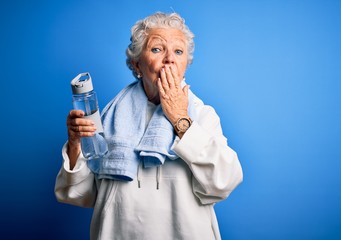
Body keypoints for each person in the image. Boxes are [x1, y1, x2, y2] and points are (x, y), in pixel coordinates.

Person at [55, 12, 243, 240]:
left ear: (185, 64)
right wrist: (76, 143)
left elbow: (223, 182)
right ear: (137, 64)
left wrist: (180, 119)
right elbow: (79, 193)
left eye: (178, 51)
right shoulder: (108, 117)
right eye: (157, 49)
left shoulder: (202, 115)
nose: (169, 59)